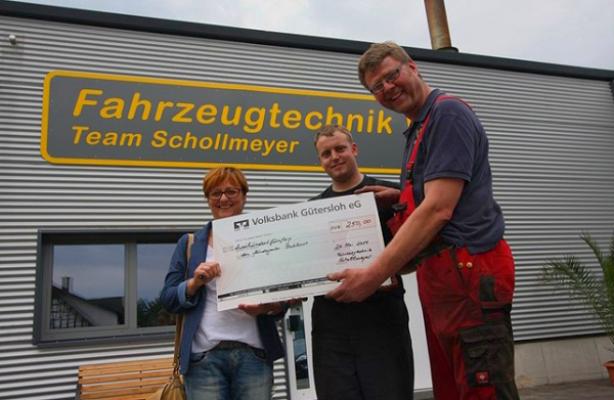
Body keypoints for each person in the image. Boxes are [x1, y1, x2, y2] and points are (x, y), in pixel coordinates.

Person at [327, 42, 520, 400]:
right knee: (456, 389)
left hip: (467, 272)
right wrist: (399, 197)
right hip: (444, 278)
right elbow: (436, 197)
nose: (388, 88)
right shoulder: (419, 126)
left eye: (392, 75)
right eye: (377, 87)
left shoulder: (447, 114)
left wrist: (372, 276)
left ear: (412, 67)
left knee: (483, 391)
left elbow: (438, 209)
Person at [160, 166, 286, 400]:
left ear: (244, 196)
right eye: (216, 193)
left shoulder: (265, 239)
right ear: (208, 199)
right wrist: (194, 283)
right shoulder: (189, 244)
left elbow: (283, 300)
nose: (224, 198)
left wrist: (267, 307)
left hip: (254, 356)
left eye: (231, 191)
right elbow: (167, 299)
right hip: (203, 359)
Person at [311, 124, 414, 400]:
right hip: (331, 327)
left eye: (340, 149)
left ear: (354, 149)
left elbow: (418, 252)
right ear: (320, 161)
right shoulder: (312, 210)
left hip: (383, 321)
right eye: (326, 153)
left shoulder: (390, 194)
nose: (334, 157)